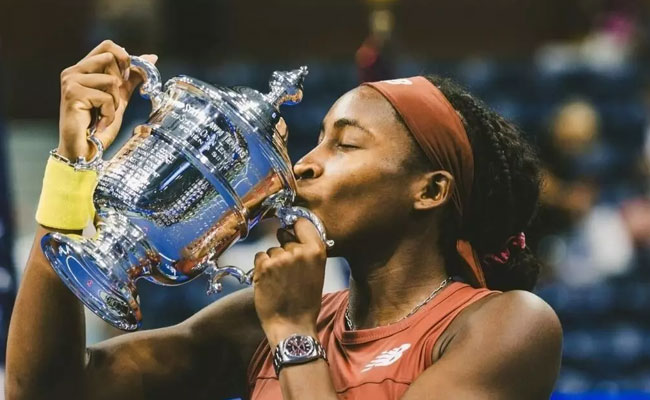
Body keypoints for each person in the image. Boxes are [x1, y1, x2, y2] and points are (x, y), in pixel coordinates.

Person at [5, 40, 562, 400]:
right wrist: (74, 169)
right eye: (317, 141)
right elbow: (46, 389)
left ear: (430, 190)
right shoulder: (261, 320)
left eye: (344, 145)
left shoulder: (506, 325)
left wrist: (294, 334)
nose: (304, 165)